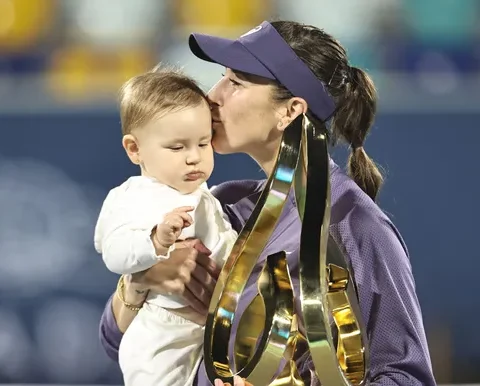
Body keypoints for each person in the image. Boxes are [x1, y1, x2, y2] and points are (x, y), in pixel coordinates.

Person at [98, 20, 437, 385]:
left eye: (236, 83)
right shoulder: (223, 203)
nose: (213, 95)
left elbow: (405, 377)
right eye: (222, 77)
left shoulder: (355, 225)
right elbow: (114, 341)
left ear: (290, 110)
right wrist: (140, 283)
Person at [94, 66, 238, 386]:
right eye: (177, 147)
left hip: (206, 332)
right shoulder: (133, 196)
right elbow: (114, 252)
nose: (193, 158)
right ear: (135, 149)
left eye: (203, 143)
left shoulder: (206, 196)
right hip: (161, 333)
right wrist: (156, 242)